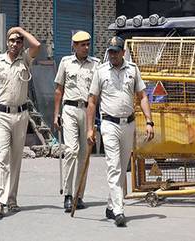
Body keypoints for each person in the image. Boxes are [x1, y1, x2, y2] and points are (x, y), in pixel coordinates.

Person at [86, 36, 154, 227]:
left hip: (128, 124)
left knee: (122, 168)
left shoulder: (133, 70)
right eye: (111, 51)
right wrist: (90, 129)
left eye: (116, 51)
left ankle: (110, 205)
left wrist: (149, 121)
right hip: (108, 124)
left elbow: (142, 97)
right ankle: (119, 210)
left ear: (123, 52)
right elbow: (91, 101)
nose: (113, 55)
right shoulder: (101, 72)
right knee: (114, 167)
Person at [0, 27, 40, 216]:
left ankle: (12, 199)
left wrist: (19, 30)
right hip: (2, 115)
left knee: (16, 159)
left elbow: (37, 44)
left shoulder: (25, 59)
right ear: (6, 42)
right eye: (12, 40)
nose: (15, 43)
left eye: (18, 41)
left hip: (21, 115)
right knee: (3, 157)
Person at [53, 31, 100, 212]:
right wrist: (56, 114)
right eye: (82, 44)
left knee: (84, 155)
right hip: (70, 109)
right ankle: (68, 194)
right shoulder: (65, 63)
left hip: (88, 111)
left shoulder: (96, 65)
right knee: (72, 151)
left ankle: (79, 195)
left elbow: (98, 93)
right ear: (74, 46)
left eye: (88, 44)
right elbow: (58, 90)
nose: (86, 47)